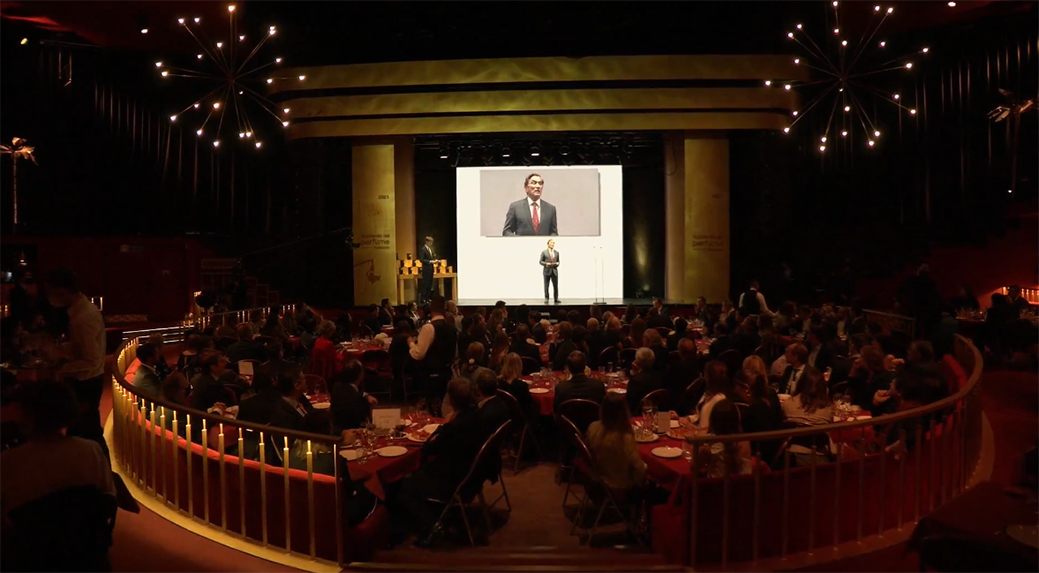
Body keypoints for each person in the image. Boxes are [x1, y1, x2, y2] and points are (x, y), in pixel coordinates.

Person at [0, 379, 116, 521]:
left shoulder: (9, 461)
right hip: (82, 531)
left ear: (27, 416)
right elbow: (109, 497)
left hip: (25, 535)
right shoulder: (91, 450)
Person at [44, 267, 108, 457]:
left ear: (62, 291)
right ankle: (98, 468)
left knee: (86, 433)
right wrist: (61, 350)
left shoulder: (82, 317)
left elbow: (91, 360)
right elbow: (84, 347)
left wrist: (61, 368)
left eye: (50, 292)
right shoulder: (82, 311)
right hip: (90, 380)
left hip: (86, 382)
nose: (49, 297)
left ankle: (99, 469)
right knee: (86, 431)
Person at [585, 393, 647, 491]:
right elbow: (639, 468)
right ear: (624, 412)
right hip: (621, 488)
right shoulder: (624, 438)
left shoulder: (593, 428)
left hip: (597, 481)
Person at [418, 236, 438, 304]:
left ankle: (427, 298)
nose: (431, 244)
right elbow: (421, 259)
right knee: (425, 284)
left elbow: (431, 257)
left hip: (430, 269)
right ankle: (423, 299)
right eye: (430, 242)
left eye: (432, 242)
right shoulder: (423, 249)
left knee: (430, 284)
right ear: (427, 242)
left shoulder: (430, 249)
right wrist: (430, 261)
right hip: (426, 269)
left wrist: (434, 260)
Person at [540, 239, 561, 303]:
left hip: (554, 271)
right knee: (546, 286)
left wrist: (557, 264)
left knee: (555, 286)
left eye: (553, 243)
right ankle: (546, 298)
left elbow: (558, 261)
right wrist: (546, 264)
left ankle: (556, 298)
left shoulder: (557, 253)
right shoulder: (544, 252)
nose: (552, 244)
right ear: (548, 244)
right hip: (547, 271)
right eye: (551, 243)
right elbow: (540, 261)